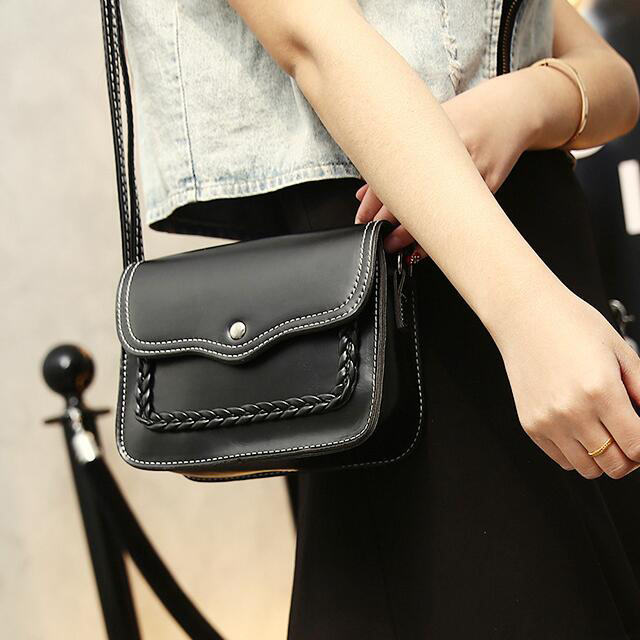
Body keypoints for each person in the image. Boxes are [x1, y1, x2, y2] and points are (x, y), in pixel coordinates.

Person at [121, 0, 640, 637]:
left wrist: (520, 104)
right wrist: (527, 314)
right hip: (394, 293)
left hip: (541, 277)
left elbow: (613, 79)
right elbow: (313, 41)